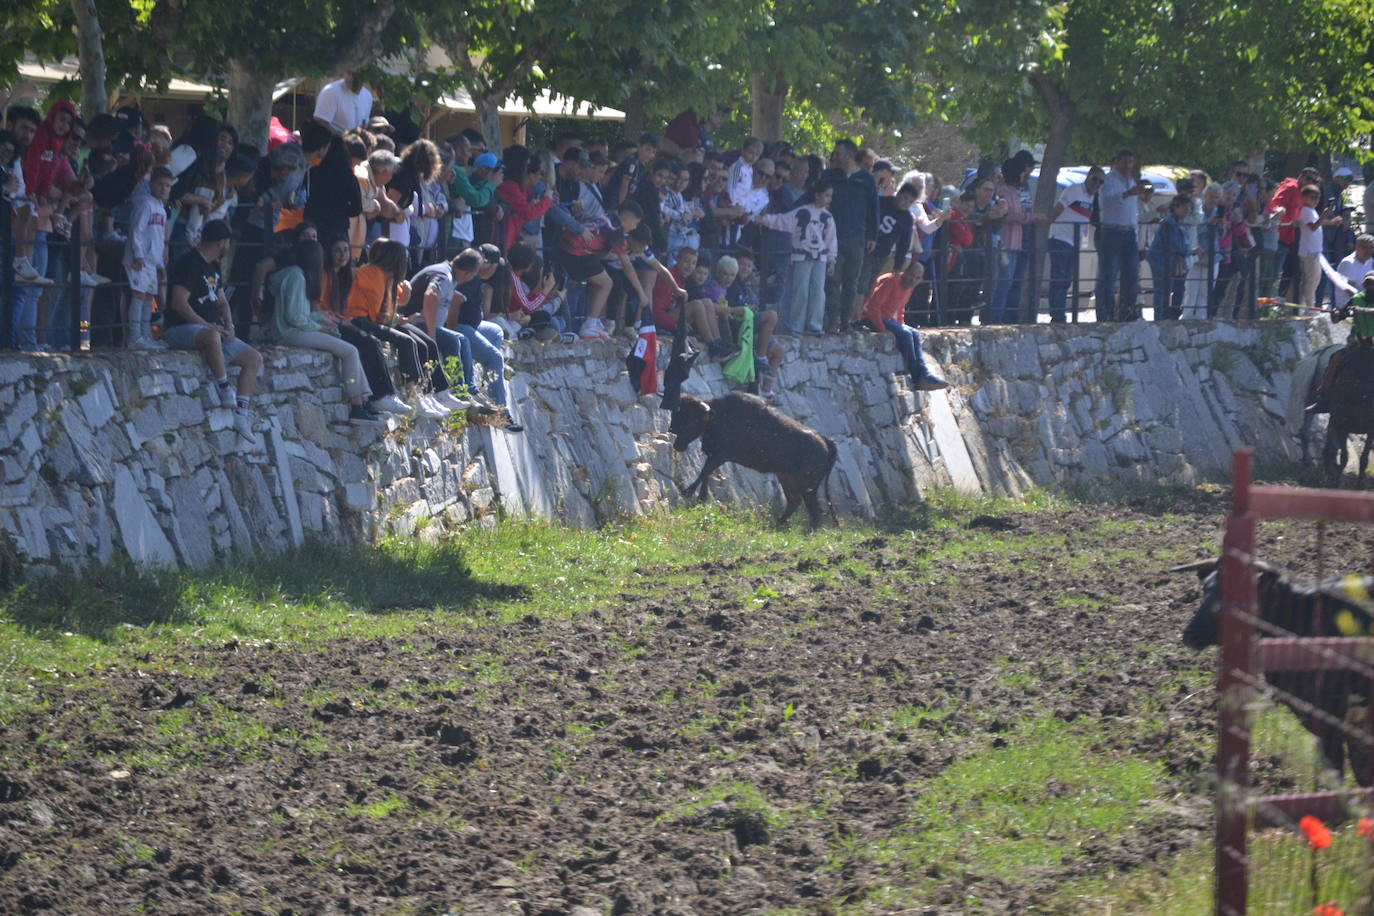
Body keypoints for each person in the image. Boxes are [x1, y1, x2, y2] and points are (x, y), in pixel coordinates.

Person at [263, 238, 383, 425]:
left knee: (350, 349)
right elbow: (294, 318)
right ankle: (357, 408)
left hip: (293, 329)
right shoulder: (297, 277)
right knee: (350, 351)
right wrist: (319, 327)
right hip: (288, 333)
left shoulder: (295, 274)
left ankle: (363, 403)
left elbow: (299, 313)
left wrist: (321, 316)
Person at [163, 220, 263, 442]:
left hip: (213, 331)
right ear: (221, 243)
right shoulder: (188, 263)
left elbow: (222, 301)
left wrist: (230, 326)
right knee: (213, 336)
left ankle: (241, 415)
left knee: (254, 358)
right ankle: (225, 388)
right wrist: (210, 327)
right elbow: (179, 303)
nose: (228, 246)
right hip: (180, 329)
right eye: (228, 242)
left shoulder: (214, 265)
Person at [343, 238, 455, 420]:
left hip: (376, 320)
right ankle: (413, 397)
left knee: (426, 343)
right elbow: (378, 312)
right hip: (358, 319)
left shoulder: (386, 277)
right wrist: (395, 319)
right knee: (406, 341)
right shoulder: (373, 273)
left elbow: (401, 299)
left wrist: (406, 290)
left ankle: (432, 393)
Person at [755, 181, 838, 336]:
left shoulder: (828, 217)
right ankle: (796, 325)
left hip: (820, 259)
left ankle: (815, 325)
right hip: (801, 257)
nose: (829, 199)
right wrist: (764, 219)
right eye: (826, 195)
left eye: (830, 196)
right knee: (800, 291)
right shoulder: (802, 212)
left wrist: (831, 260)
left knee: (818, 292)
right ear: (817, 195)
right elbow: (783, 220)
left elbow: (831, 240)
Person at [819, 139, 878, 332]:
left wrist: (872, 235)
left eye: (840, 153)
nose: (836, 157)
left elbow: (873, 209)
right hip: (832, 236)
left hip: (857, 237)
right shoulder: (830, 176)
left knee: (851, 282)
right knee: (833, 281)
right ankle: (831, 321)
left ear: (850, 156)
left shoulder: (866, 179)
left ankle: (846, 321)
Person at [862, 260, 949, 391]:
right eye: (911, 275)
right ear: (905, 272)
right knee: (906, 334)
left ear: (920, 280)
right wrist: (882, 329)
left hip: (887, 318)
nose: (912, 279)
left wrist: (900, 323)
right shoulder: (892, 281)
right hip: (872, 318)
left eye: (917, 278)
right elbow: (873, 306)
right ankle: (917, 378)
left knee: (914, 332)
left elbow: (900, 307)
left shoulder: (909, 287)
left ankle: (925, 374)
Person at [1095, 149, 1151, 322]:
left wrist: (1134, 229)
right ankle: (1106, 313)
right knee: (1109, 275)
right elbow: (1105, 203)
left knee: (1131, 273)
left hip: (1128, 233)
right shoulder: (1109, 180)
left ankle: (1126, 311)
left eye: (1131, 162)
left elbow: (1131, 210)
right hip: (1112, 232)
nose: (1128, 166)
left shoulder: (1131, 181)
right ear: (1117, 162)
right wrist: (1128, 194)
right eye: (1125, 162)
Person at [1307, 271, 1374, 415]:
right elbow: (1338, 317)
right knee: (1335, 359)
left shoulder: (1359, 305)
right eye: (1368, 283)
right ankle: (1323, 398)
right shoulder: (1356, 298)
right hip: (1357, 343)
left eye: (1373, 284)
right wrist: (1336, 314)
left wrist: (1361, 311)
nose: (1371, 287)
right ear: (1365, 284)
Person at [123, 165, 173, 348]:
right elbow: (136, 231)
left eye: (168, 185)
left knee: (147, 298)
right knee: (138, 295)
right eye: (161, 184)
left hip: (152, 262)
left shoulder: (161, 208)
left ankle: (145, 336)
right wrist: (138, 255)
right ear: (152, 184)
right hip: (140, 260)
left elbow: (158, 239)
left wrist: (160, 264)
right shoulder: (145, 204)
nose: (164, 189)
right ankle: (135, 338)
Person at [1047, 167, 1103, 323]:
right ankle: (1057, 315)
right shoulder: (1073, 190)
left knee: (1067, 280)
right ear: (1088, 177)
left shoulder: (1093, 198)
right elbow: (1057, 209)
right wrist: (1049, 225)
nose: (1097, 184)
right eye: (1094, 179)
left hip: (1074, 242)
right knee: (1059, 278)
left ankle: (1059, 312)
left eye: (1100, 182)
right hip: (1060, 237)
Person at [1146, 195, 1192, 321]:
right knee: (1162, 290)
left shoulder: (1179, 222)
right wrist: (1190, 251)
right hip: (1160, 259)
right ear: (1175, 207)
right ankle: (1160, 318)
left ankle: (1168, 316)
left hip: (1169, 260)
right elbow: (1175, 244)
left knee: (1172, 288)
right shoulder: (1170, 222)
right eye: (1184, 207)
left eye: (1189, 207)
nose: (1187, 209)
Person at [1297, 185, 1342, 310]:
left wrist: (1331, 222)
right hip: (1309, 251)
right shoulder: (1305, 211)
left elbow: (1318, 222)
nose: (1316, 200)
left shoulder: (1311, 211)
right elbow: (1313, 227)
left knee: (1315, 279)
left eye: (1317, 197)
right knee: (1311, 281)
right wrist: (1325, 214)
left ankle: (1307, 306)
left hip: (1315, 251)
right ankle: (1310, 308)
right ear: (1304, 198)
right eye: (1312, 197)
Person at [1336, 235, 1374, 309]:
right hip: (1349, 308)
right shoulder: (1348, 263)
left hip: (1365, 304)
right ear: (1356, 247)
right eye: (1364, 247)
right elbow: (1350, 291)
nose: (1368, 251)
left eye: (1371, 248)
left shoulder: (1370, 261)